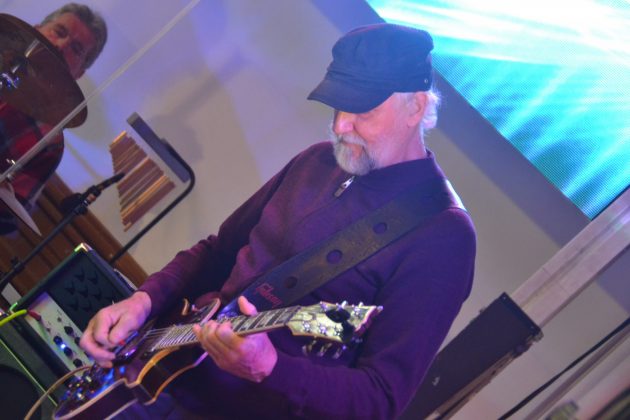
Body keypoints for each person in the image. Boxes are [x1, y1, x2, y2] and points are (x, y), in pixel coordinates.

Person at [80, 23, 476, 419]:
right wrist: (143, 300)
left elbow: (380, 400)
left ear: (416, 108)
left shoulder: (443, 235)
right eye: (338, 105)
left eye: (362, 110)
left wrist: (271, 369)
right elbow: (218, 251)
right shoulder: (317, 160)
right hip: (164, 374)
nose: (341, 125)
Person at [0, 3, 107, 234]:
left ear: (79, 72)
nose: (61, 46)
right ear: (36, 28)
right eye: (59, 32)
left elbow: (7, 221)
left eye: (76, 49)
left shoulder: (49, 141)